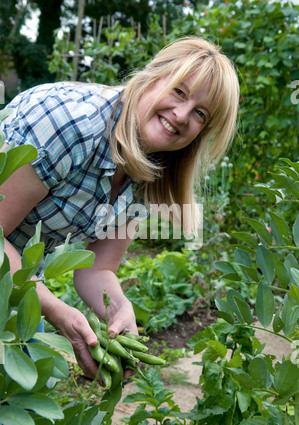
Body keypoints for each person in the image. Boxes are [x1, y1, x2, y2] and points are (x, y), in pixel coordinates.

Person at [0, 36, 239, 383]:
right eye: (179, 91)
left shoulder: (150, 169)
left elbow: (97, 268)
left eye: (200, 113)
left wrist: (119, 308)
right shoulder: (72, 125)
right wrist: (52, 308)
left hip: (13, 279)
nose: (182, 115)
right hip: (13, 272)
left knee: (15, 405)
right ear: (151, 77)